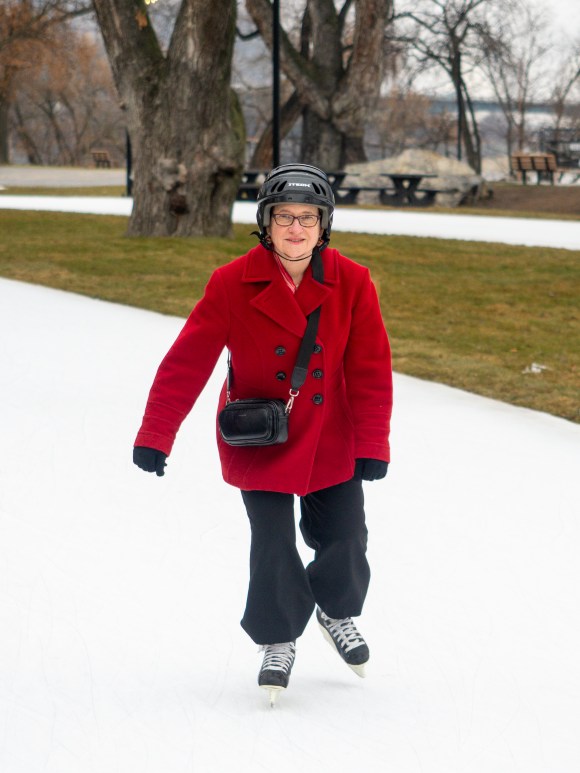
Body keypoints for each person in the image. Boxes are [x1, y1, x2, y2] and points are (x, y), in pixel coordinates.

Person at [133, 163, 393, 705]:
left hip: (331, 435)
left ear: (324, 226)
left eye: (307, 218)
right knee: (273, 544)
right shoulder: (231, 282)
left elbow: (370, 368)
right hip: (260, 437)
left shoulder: (353, 280)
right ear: (265, 223)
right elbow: (187, 362)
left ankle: (335, 610)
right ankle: (278, 638)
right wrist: (156, 434)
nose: (295, 229)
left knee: (346, 537)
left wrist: (373, 443)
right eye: (283, 217)